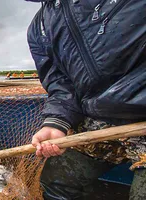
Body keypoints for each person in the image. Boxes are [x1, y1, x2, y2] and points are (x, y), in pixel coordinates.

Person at [27, 0, 146, 199]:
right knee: (56, 182)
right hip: (100, 119)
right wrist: (57, 121)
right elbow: (61, 85)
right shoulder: (39, 28)